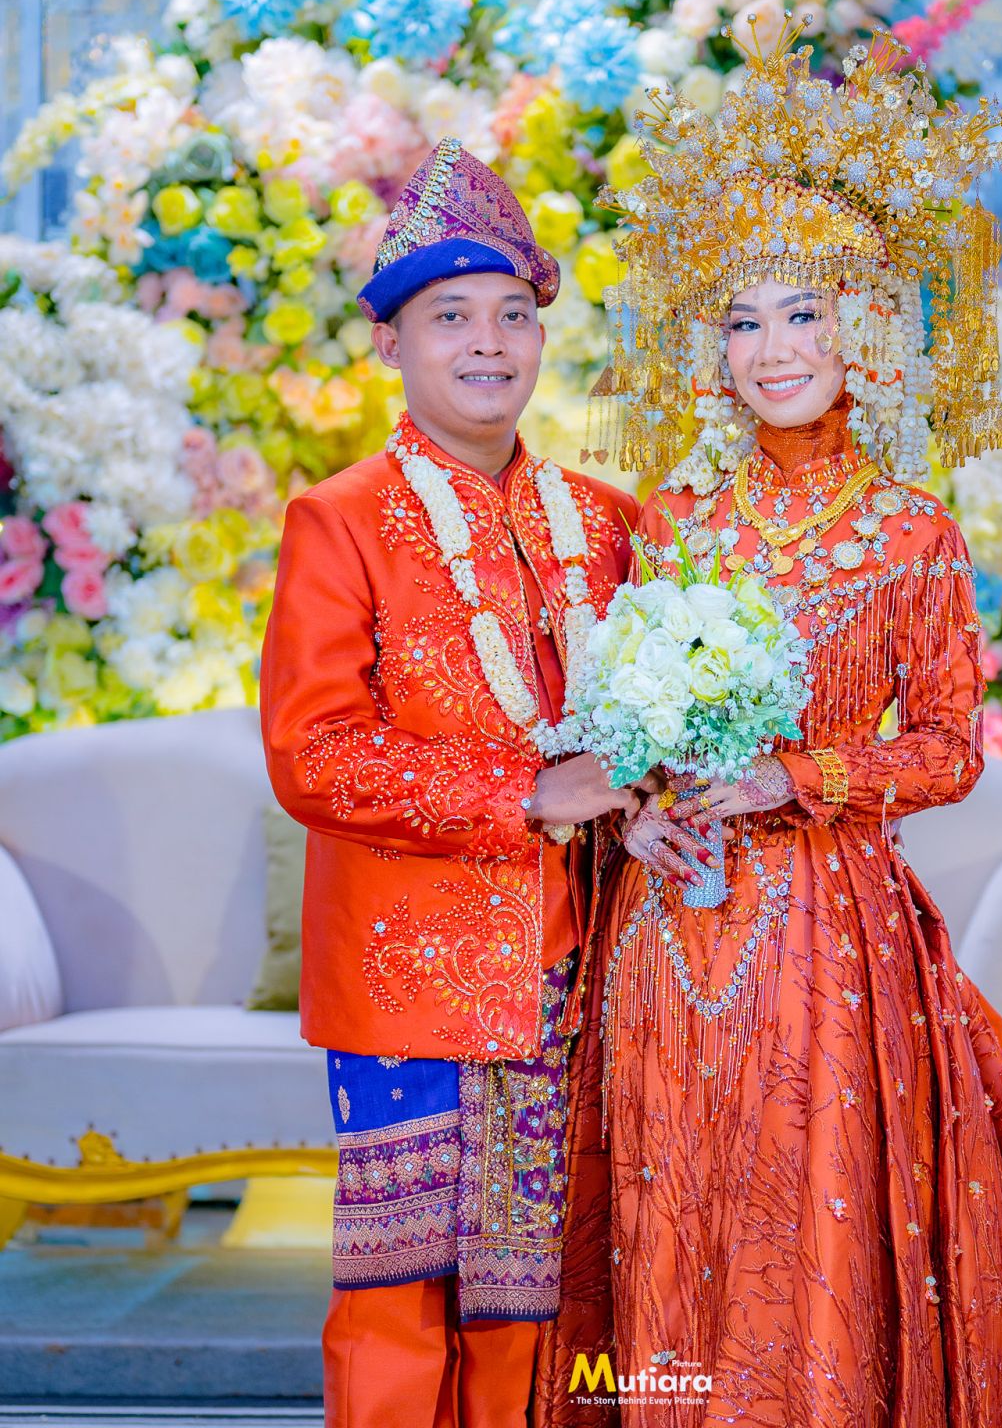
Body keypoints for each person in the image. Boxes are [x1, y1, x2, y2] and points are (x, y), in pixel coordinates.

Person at [534, 29, 1002, 1426]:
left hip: (825, 925)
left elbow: (947, 745)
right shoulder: (671, 523)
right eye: (742, 321)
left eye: (802, 314)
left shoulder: (911, 531)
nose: (772, 351)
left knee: (800, 1203)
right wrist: (638, 812)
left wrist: (796, 774)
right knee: (667, 1189)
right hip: (664, 919)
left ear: (864, 330)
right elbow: (619, 729)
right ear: (709, 347)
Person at [260, 139, 648, 1428]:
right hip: (408, 973)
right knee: (403, 1293)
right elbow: (313, 754)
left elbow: (656, 726)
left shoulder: (609, 524)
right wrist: (523, 794)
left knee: (547, 1294)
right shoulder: (340, 520)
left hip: (585, 969)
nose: (489, 342)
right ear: (392, 343)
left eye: (514, 315)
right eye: (452, 317)